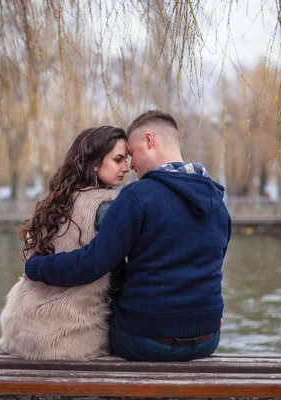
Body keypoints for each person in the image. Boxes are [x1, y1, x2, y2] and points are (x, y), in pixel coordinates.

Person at [24, 110, 232, 362]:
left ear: (149, 140)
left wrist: (37, 266)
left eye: (131, 155)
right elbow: (214, 267)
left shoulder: (137, 196)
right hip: (207, 339)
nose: (131, 166)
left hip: (144, 340)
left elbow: (92, 264)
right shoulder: (218, 202)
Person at [0, 125, 130, 361]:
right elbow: (117, 283)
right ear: (95, 163)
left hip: (19, 330)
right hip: (70, 337)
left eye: (127, 160)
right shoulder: (107, 208)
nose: (126, 168)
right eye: (118, 159)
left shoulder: (52, 203)